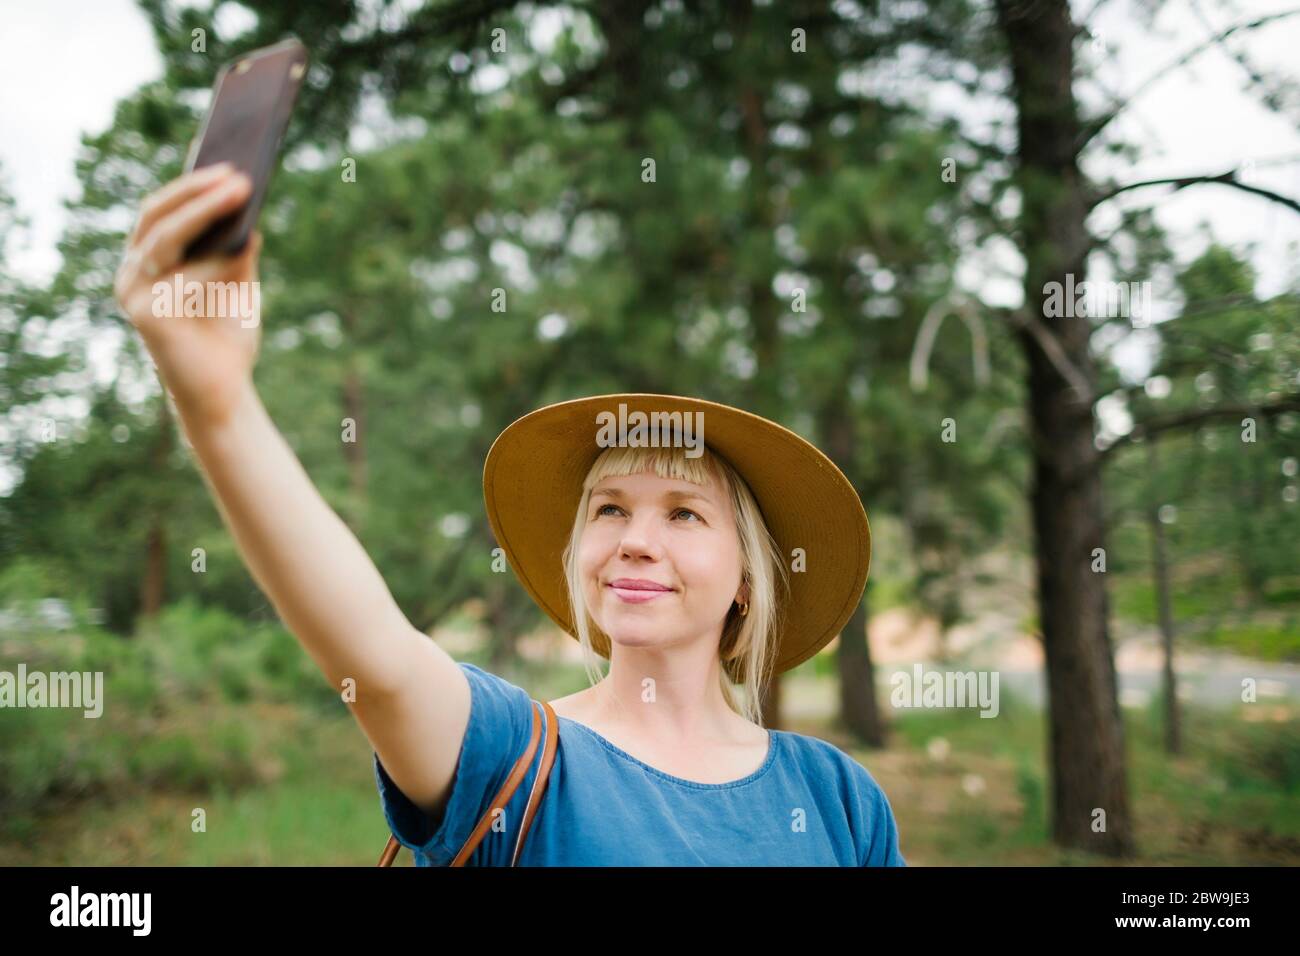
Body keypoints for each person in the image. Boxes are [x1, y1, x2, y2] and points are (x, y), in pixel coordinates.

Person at [114, 165, 905, 867]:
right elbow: (381, 667)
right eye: (609, 509)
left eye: (685, 515)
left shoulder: (839, 801)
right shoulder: (514, 757)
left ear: (746, 576)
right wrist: (218, 407)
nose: (634, 542)